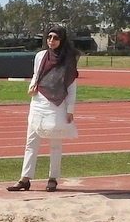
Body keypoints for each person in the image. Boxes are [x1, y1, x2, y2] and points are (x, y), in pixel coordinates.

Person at [7, 25, 79, 193]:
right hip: (38, 102)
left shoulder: (68, 60)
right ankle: (24, 179)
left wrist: (70, 110)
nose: (51, 41)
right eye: (49, 37)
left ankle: (53, 179)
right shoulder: (40, 56)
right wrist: (32, 86)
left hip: (57, 104)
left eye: (55, 38)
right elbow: (36, 75)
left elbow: (72, 86)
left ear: (62, 40)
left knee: (55, 144)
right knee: (31, 142)